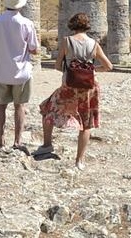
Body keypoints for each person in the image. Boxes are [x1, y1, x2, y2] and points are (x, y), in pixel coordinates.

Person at [35, 13, 113, 170]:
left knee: (48, 108)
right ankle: (79, 160)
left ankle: (47, 144)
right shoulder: (94, 44)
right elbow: (109, 66)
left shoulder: (67, 41)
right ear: (87, 26)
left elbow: (57, 66)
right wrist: (91, 69)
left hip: (69, 86)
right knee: (86, 123)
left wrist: (71, 69)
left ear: (72, 25)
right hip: (89, 87)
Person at [0, 0, 40, 153]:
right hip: (22, 73)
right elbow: (34, 49)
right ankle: (17, 141)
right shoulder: (27, 23)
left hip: (0, 72)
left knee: (0, 106)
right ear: (20, 5)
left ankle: (1, 142)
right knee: (19, 106)